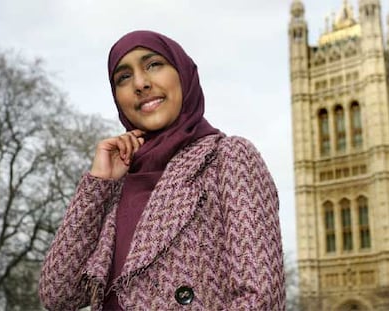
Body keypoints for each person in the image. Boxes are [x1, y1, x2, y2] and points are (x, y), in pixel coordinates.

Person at [39, 30, 285, 311]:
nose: (141, 83)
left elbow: (260, 299)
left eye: (153, 64)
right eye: (124, 77)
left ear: (183, 73)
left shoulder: (227, 157)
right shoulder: (117, 184)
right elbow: (58, 296)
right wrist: (98, 185)